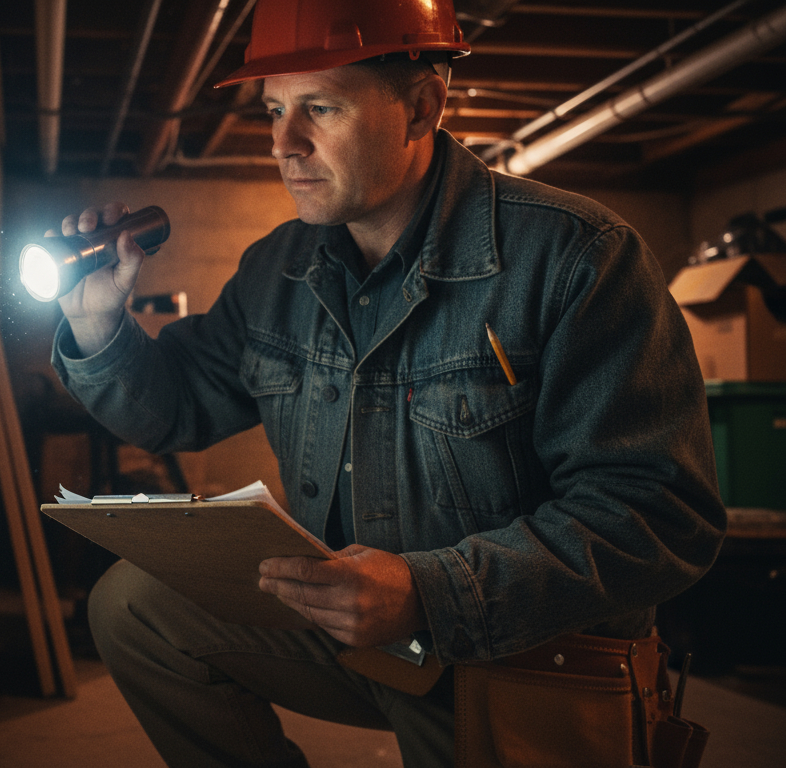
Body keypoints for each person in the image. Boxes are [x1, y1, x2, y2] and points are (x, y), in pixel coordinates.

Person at [47, 1, 725, 765]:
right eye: (274, 110)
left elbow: (658, 515)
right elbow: (176, 407)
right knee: (135, 608)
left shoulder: (576, 259)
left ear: (421, 109)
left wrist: (429, 591)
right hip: (358, 634)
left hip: (522, 658)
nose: (283, 143)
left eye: (320, 108)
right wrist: (100, 323)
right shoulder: (280, 269)